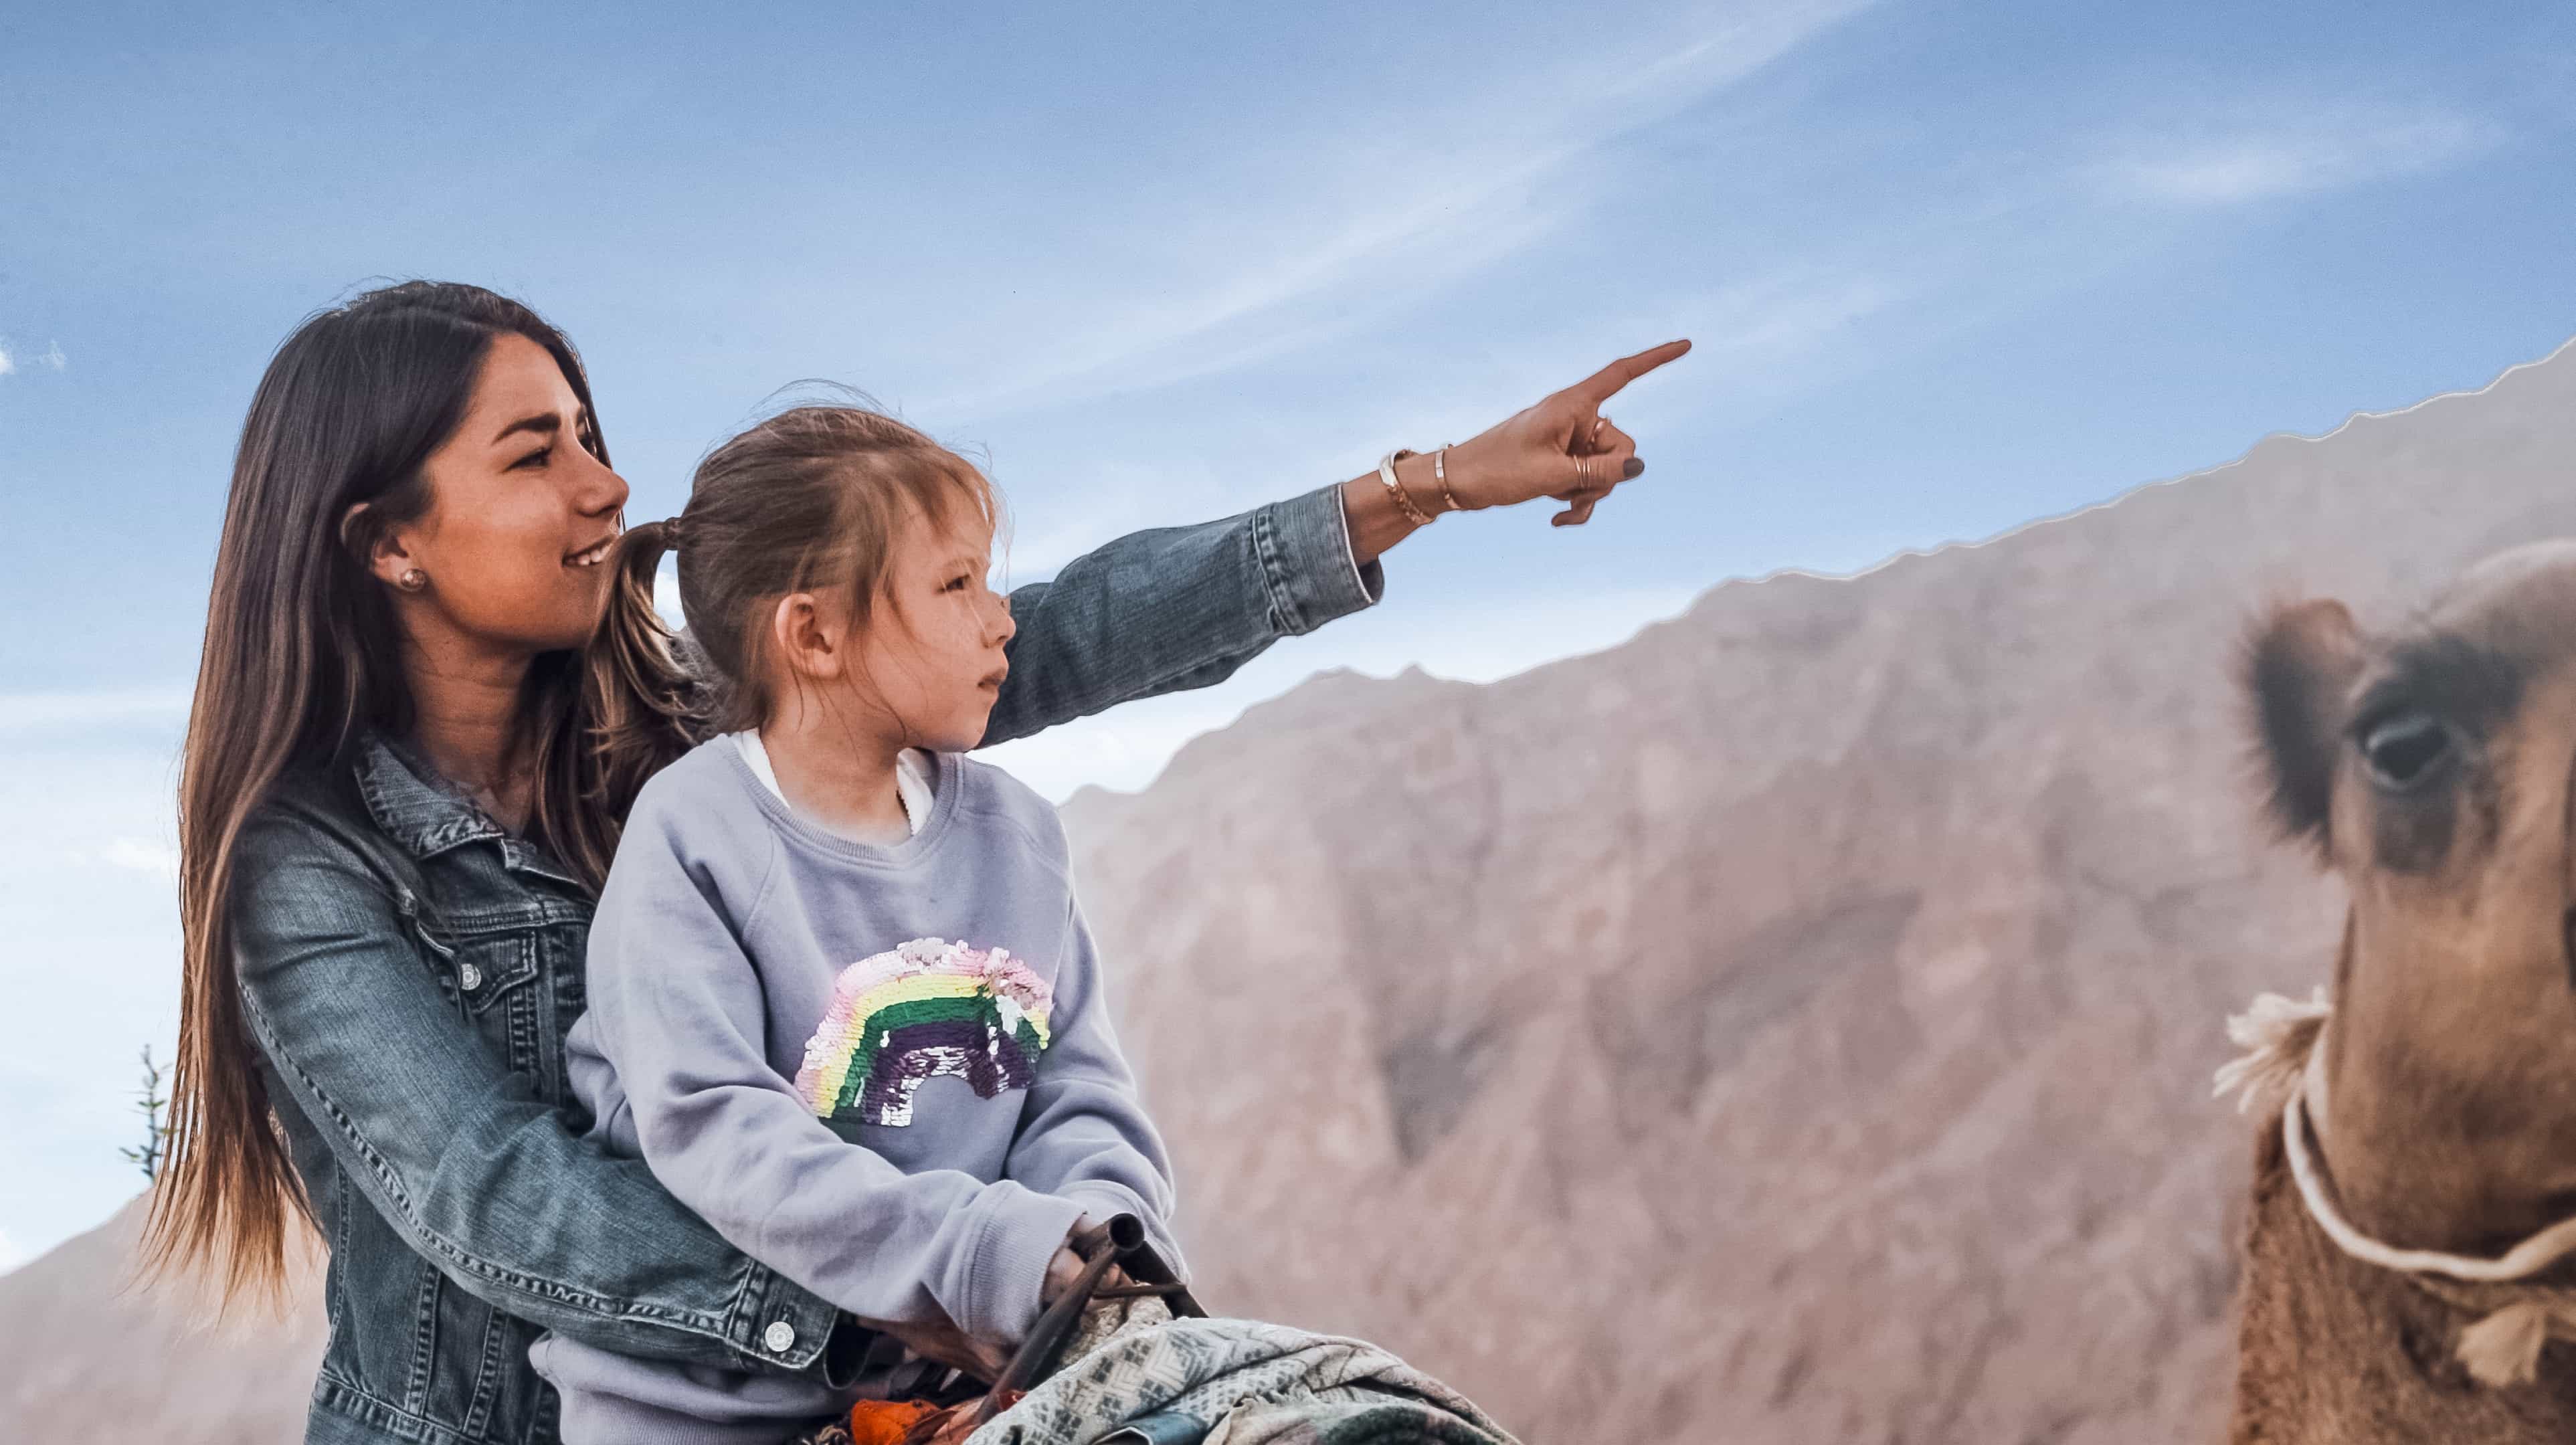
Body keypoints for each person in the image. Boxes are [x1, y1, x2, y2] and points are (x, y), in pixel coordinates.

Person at [144, 278, 1685, 1445]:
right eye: (536, 456)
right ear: (385, 542)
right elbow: (496, 1198)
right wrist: (903, 1316)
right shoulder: (309, 866)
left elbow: (1035, 634)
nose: (606, 486)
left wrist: (1413, 488)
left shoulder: (692, 730)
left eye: (595, 439)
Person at [529, 403, 1197, 1442]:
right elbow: (713, 1125)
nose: (1001, 618)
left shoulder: (1015, 836)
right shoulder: (695, 835)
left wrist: (1091, 1249)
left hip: (972, 1390)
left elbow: (1077, 1086)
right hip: (711, 1416)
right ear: (814, 634)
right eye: (955, 584)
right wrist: (980, 1258)